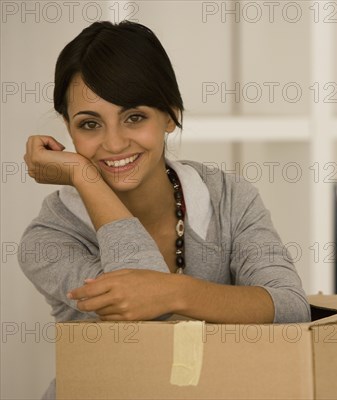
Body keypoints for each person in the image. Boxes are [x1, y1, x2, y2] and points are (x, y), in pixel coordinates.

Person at [19, 20, 310, 399]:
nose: (114, 142)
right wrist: (83, 176)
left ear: (170, 114)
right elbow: (149, 324)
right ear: (68, 130)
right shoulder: (48, 240)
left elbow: (290, 308)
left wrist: (175, 293)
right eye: (89, 124)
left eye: (134, 117)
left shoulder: (228, 196)